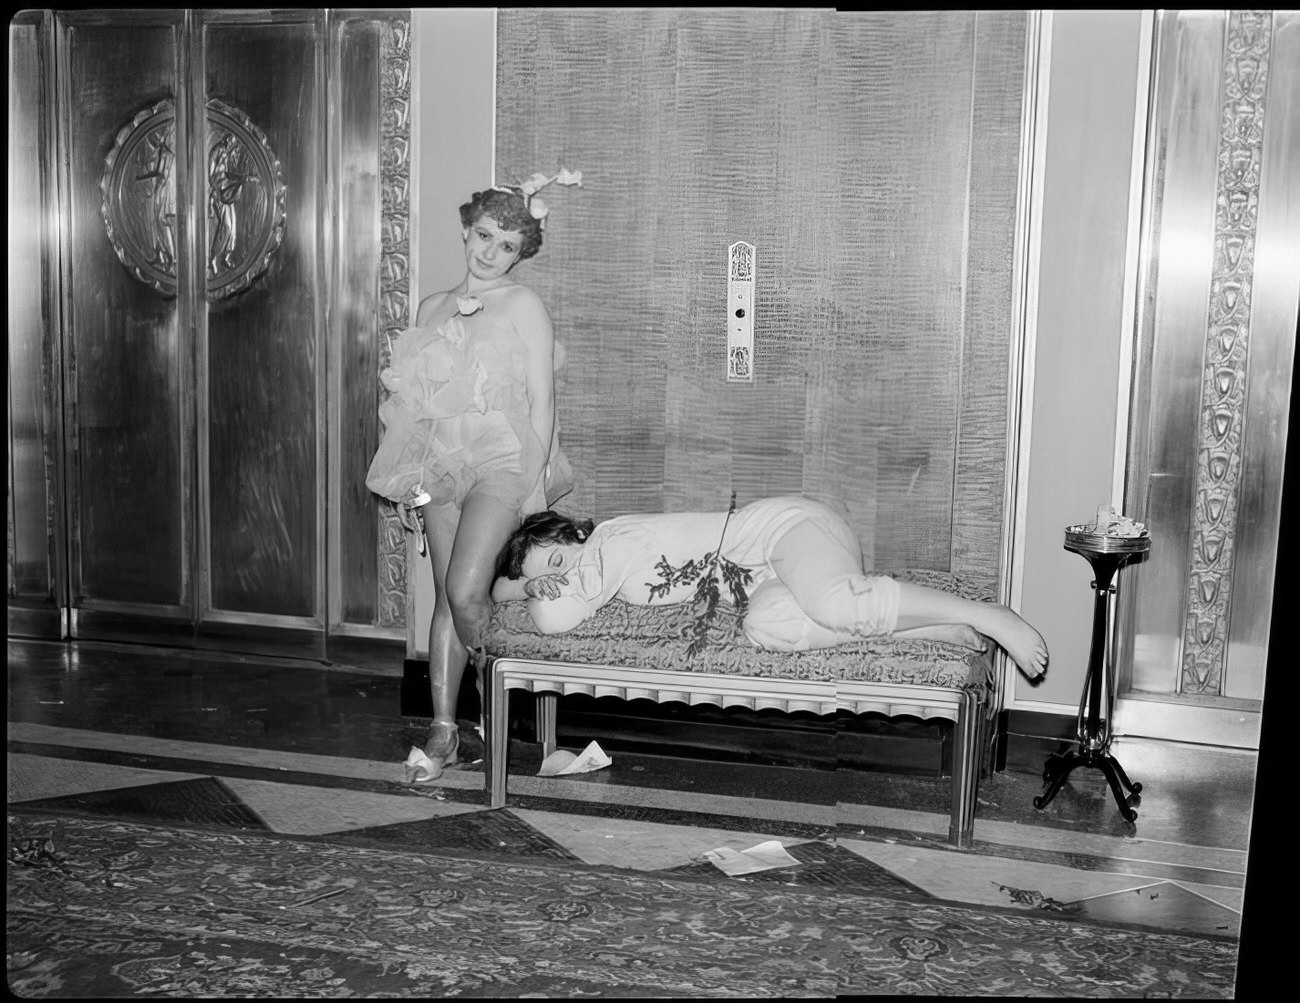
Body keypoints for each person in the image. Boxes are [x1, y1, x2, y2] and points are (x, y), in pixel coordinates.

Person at [367, 169, 582, 779]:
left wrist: (534, 483)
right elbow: (412, 405)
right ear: (466, 230)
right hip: (439, 465)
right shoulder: (432, 306)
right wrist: (410, 478)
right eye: (484, 236)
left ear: (522, 253)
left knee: (467, 589)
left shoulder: (524, 305)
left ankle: (497, 714)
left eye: (507, 245)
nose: (491, 253)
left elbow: (543, 403)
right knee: (445, 596)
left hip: (505, 463)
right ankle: (443, 731)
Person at [492, 495, 1049, 680]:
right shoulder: (592, 572)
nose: (560, 580)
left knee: (830, 600)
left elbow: (556, 618)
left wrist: (534, 593)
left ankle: (987, 613)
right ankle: (942, 627)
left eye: (559, 560)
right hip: (768, 578)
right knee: (768, 626)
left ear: (575, 533)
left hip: (788, 531)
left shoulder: (608, 546)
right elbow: (501, 592)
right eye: (550, 578)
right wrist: (527, 585)